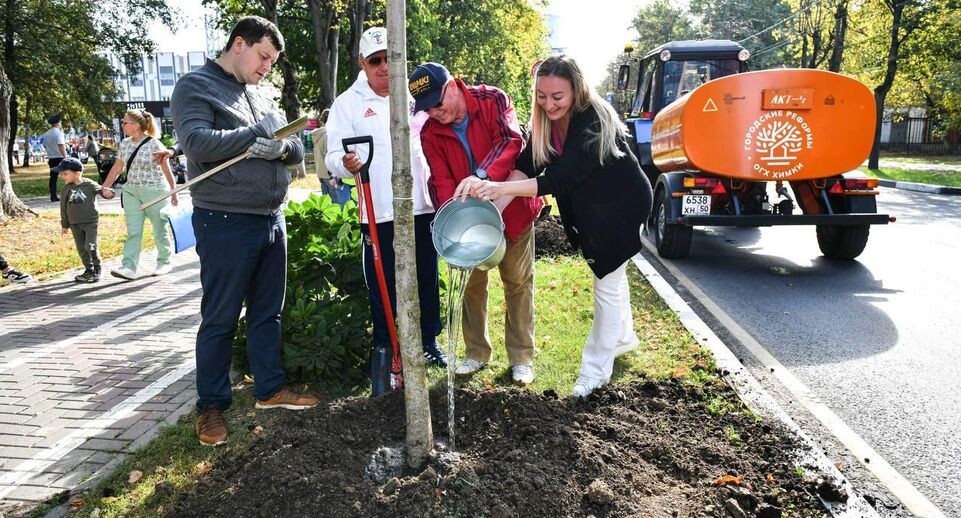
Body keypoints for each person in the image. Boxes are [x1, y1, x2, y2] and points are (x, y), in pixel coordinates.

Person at [462, 55, 654, 397]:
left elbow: (560, 180)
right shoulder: (546, 122)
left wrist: (501, 188)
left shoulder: (593, 120)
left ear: (577, 91)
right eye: (541, 95)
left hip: (621, 209)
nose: (548, 104)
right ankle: (622, 339)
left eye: (557, 97)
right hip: (594, 210)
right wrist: (498, 204)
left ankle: (594, 373)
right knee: (612, 277)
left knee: (606, 286)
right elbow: (527, 161)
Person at [171, 15, 318, 447]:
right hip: (225, 220)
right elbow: (196, 142)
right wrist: (256, 133)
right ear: (239, 43)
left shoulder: (257, 93)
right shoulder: (195, 86)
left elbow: (292, 149)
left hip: (271, 217)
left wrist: (282, 145)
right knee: (220, 316)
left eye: (272, 61)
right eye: (263, 56)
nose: (267, 67)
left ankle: (270, 389)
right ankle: (211, 405)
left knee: (267, 311)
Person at [409, 62, 542, 386]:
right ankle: (476, 352)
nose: (435, 114)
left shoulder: (493, 100)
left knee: (517, 283)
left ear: (454, 85)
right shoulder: (429, 133)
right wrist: (451, 217)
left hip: (512, 210)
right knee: (470, 286)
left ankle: (521, 357)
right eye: (427, 110)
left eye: (438, 104)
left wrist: (481, 176)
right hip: (468, 222)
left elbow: (511, 143)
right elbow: (440, 180)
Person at [325, 27, 445, 372]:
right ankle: (386, 346)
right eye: (375, 60)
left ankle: (428, 343)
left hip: (421, 205)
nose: (384, 67)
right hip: (378, 211)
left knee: (426, 277)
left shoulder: (414, 96)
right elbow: (334, 153)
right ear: (362, 62)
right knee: (382, 282)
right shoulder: (347, 104)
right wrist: (345, 164)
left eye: (390, 58)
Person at [100, 109, 177, 281]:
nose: (123, 125)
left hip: (155, 192)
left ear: (136, 126)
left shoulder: (154, 144)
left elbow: (166, 168)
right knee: (133, 231)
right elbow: (118, 167)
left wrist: (173, 190)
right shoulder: (125, 144)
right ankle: (129, 267)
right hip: (131, 192)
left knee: (159, 230)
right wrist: (105, 186)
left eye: (125, 122)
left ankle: (164, 261)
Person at [57, 157, 105, 283]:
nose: (62, 176)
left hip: (90, 222)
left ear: (77, 173)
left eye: (65, 173)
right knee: (81, 248)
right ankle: (88, 269)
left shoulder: (89, 185)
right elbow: (63, 208)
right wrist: (65, 225)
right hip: (74, 224)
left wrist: (109, 193)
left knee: (91, 245)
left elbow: (103, 191)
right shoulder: (66, 189)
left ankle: (97, 268)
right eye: (60, 173)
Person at [311, 109, 336, 196]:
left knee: (326, 203)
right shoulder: (327, 136)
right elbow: (328, 156)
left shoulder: (318, 135)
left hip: (320, 173)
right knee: (335, 205)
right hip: (330, 175)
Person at [42, 114, 67, 202]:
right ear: (58, 123)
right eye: (60, 122)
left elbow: (45, 146)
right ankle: (68, 194)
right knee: (68, 176)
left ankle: (53, 195)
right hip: (60, 157)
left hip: (51, 158)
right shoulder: (59, 133)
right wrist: (65, 157)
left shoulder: (46, 134)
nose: (61, 124)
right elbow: (61, 146)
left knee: (53, 178)